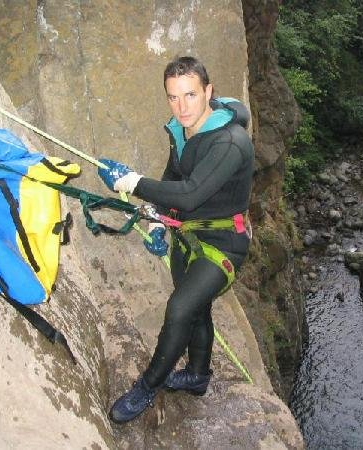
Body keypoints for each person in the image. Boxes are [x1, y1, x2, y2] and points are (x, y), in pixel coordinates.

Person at [97, 56, 254, 423]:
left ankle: (148, 387)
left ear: (208, 92)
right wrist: (155, 221)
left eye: (190, 95)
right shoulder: (183, 131)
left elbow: (188, 195)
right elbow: (172, 181)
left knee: (180, 309)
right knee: (197, 310)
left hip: (224, 245)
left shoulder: (229, 143)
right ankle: (198, 376)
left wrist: (132, 183)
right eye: (173, 97)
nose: (181, 107)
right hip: (188, 236)